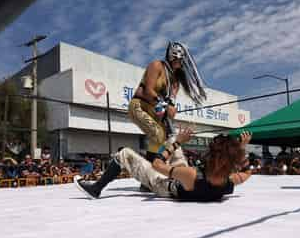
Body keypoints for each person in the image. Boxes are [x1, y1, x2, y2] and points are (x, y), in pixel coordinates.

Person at [75, 128, 252, 202]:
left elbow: (157, 163)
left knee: (125, 154)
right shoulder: (228, 182)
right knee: (173, 141)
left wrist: (177, 143)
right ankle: (172, 136)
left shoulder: (190, 174)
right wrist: (240, 149)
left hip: (165, 185)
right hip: (186, 180)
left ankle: (96, 188)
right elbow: (246, 172)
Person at [128, 42, 207, 165]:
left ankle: (149, 176)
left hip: (155, 110)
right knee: (158, 134)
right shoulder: (157, 65)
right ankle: (146, 170)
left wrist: (171, 110)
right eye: (177, 58)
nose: (179, 62)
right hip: (139, 105)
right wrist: (166, 106)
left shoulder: (176, 81)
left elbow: (171, 101)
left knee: (162, 138)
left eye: (181, 60)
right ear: (171, 56)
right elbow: (148, 91)